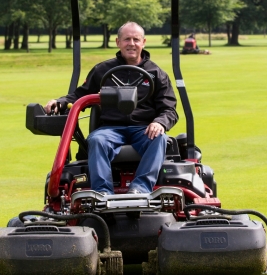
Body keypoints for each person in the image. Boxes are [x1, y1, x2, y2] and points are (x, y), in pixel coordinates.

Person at [45, 21, 178, 195]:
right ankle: (102, 192)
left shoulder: (156, 74)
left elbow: (169, 109)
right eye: (127, 39)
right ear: (118, 42)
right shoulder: (103, 70)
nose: (131, 44)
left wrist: (160, 122)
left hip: (143, 128)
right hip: (110, 128)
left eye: (136, 39)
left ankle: (140, 188)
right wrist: (60, 102)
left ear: (143, 42)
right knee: (97, 140)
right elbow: (79, 95)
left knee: (159, 138)